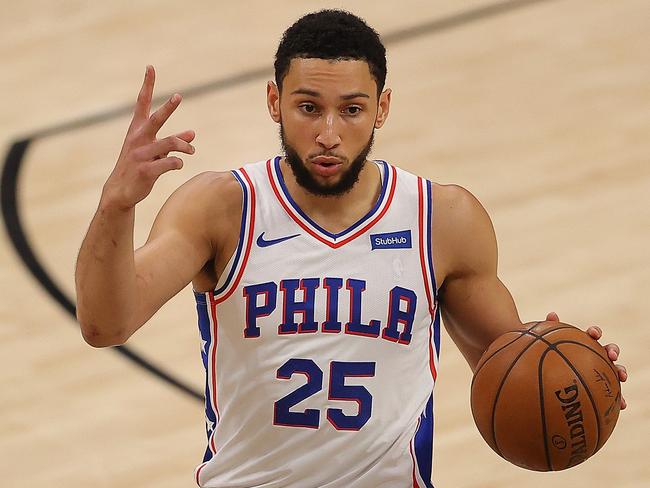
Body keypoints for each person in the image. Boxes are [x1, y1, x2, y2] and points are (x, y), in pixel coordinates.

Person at [74, 9, 627, 488]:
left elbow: (507, 361)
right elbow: (106, 324)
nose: (329, 133)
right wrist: (115, 207)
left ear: (382, 109)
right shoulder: (222, 208)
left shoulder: (442, 220)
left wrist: (576, 370)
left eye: (352, 109)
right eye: (309, 107)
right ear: (275, 102)